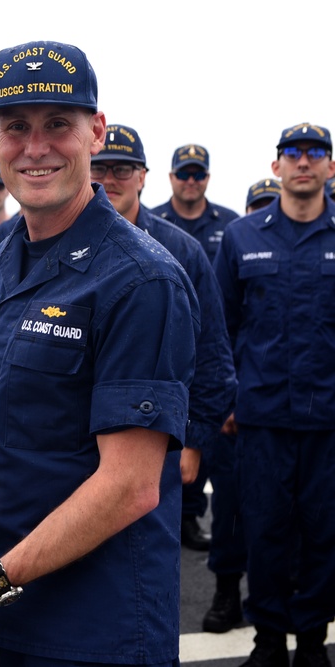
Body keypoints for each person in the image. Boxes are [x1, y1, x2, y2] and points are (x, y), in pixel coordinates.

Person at [0, 41, 200, 667]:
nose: (36, 146)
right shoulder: (2, 260)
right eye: (16, 126)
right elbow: (29, 420)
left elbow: (130, 485)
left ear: (95, 132)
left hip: (90, 630)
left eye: (58, 124)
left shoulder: (139, 280)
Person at [91, 124, 243, 629]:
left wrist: (194, 444)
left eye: (122, 168)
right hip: (72, 447)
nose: (110, 178)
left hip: (157, 450)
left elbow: (214, 360)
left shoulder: (182, 251)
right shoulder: (44, 240)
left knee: (143, 590)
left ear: (143, 177)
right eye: (101, 167)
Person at [214, 122, 335, 667]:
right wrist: (228, 398)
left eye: (316, 153)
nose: (303, 161)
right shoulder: (243, 237)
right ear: (276, 166)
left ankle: (311, 641)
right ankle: (268, 640)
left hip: (329, 420)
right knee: (264, 530)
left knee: (323, 535)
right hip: (260, 418)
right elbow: (220, 328)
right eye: (293, 152)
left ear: (331, 167)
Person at [150, 142, 240, 550]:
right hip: (163, 350)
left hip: (206, 340)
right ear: (169, 178)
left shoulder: (230, 224)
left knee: (200, 447)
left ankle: (189, 519)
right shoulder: (153, 224)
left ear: (206, 178)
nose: (190, 181)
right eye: (183, 174)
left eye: (197, 174)